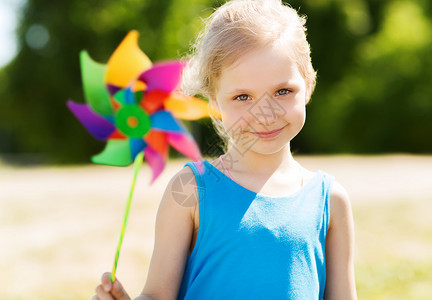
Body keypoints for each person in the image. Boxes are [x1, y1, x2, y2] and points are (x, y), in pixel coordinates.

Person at [93, 0, 357, 299]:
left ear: (308, 84)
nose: (265, 113)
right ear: (214, 102)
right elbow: (156, 295)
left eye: (283, 91)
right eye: (243, 96)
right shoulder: (190, 191)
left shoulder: (330, 201)